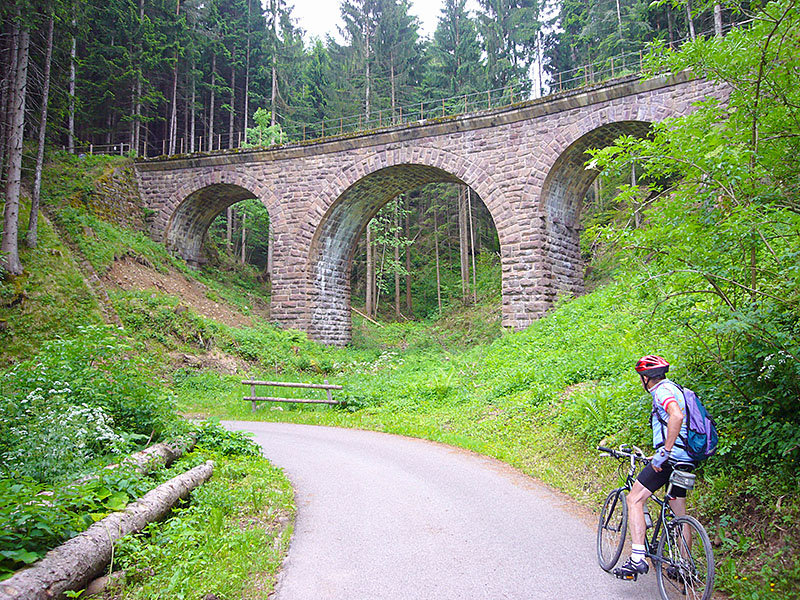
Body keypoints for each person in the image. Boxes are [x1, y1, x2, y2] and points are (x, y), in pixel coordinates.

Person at [613, 354, 696, 580]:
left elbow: (676, 416)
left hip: (670, 459)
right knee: (680, 513)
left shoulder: (661, 392)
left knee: (634, 499)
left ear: (645, 378)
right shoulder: (677, 389)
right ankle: (684, 566)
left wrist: (664, 452)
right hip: (686, 460)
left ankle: (637, 559)